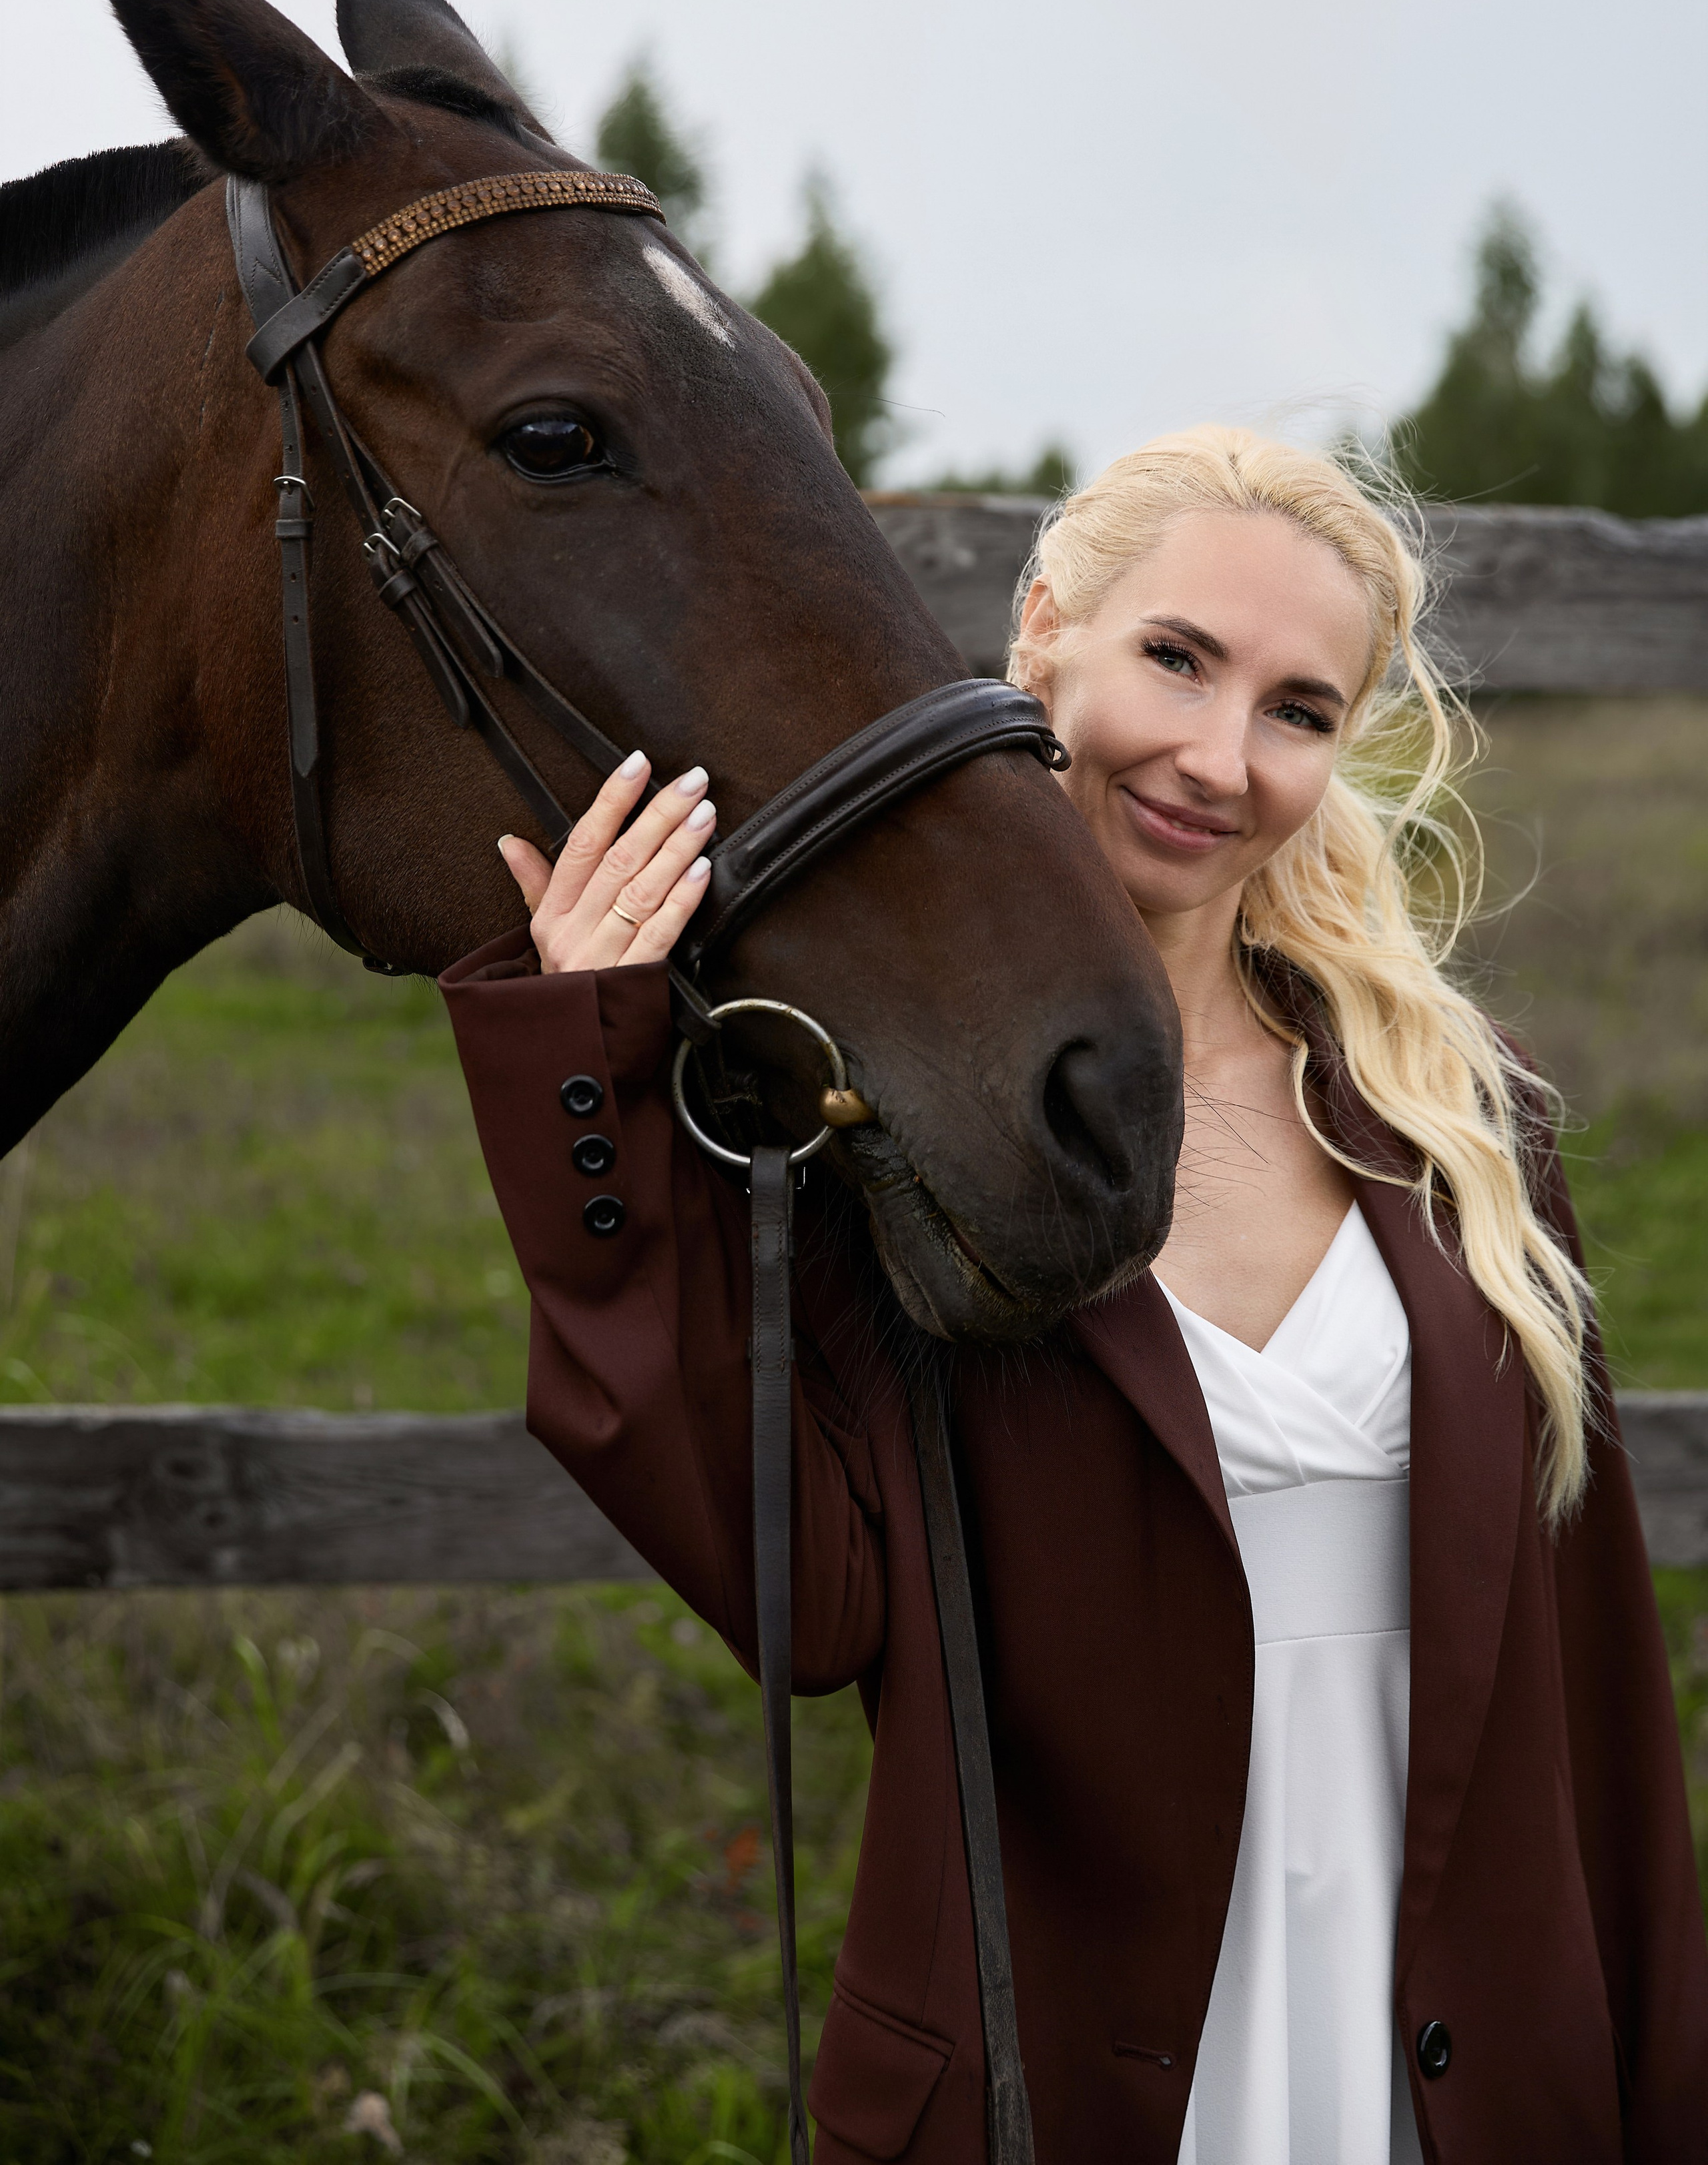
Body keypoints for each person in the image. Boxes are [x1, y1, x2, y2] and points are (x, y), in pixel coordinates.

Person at [441, 428, 1708, 2164]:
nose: (1218, 756)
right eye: (1176, 659)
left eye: (1298, 709)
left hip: (1466, 2077)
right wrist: (580, 1065)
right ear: (1046, 630)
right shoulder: (864, 1104)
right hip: (1057, 2081)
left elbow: (1598, 1697)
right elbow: (806, 1603)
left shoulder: (1458, 1120)